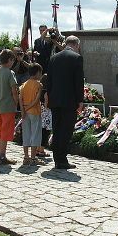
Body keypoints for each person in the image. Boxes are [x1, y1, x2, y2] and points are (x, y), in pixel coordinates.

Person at [47, 35, 84, 169]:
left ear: (66, 43)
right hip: (69, 101)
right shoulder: (77, 58)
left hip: (55, 100)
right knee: (66, 130)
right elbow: (78, 81)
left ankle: (57, 158)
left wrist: (49, 98)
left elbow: (49, 81)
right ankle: (62, 160)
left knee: (57, 129)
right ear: (77, 45)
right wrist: (80, 100)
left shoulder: (54, 58)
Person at [0, 49, 18, 165]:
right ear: (10, 60)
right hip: (8, 105)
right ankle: (2, 156)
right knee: (5, 131)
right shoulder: (9, 72)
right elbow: (14, 90)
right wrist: (17, 102)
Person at [19, 63, 44, 165]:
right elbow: (37, 100)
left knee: (26, 134)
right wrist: (28, 108)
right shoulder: (39, 85)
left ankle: (26, 157)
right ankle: (33, 158)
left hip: (25, 112)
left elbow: (20, 99)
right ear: (38, 72)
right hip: (34, 111)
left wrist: (23, 110)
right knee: (35, 134)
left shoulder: (23, 85)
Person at [37, 73, 52, 158]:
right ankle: (41, 150)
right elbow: (47, 105)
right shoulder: (47, 92)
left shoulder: (39, 90)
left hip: (40, 113)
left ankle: (38, 149)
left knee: (39, 132)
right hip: (46, 114)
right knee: (45, 132)